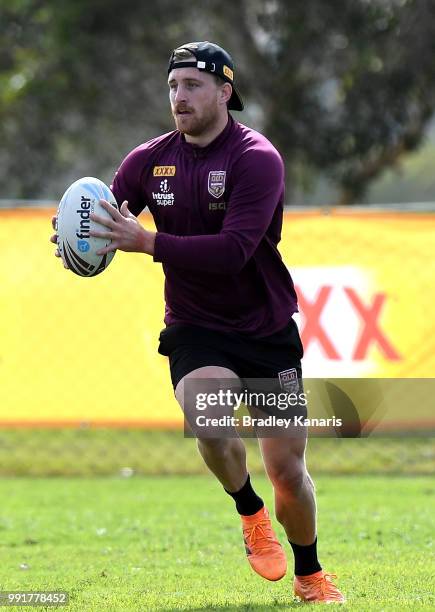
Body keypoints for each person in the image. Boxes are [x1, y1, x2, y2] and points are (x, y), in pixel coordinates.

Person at [51, 41, 345, 604]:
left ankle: (310, 573)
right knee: (207, 416)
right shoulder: (146, 162)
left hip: (265, 329)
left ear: (224, 93)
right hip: (195, 325)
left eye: (192, 86)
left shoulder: (257, 158)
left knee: (288, 470)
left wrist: (149, 242)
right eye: (172, 87)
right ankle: (249, 511)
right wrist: (74, 237)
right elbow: (107, 223)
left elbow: (234, 250)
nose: (179, 98)